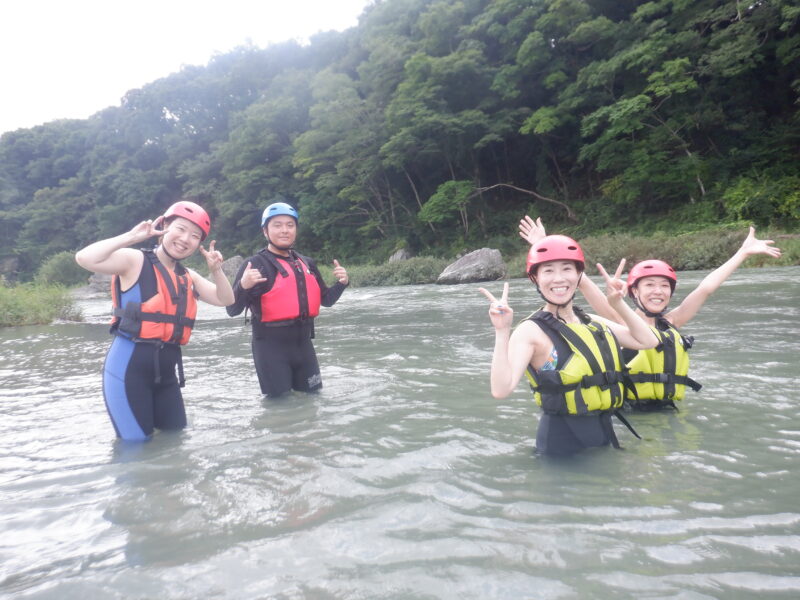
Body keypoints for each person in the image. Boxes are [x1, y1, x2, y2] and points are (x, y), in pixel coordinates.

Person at [519, 216, 781, 410]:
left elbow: (706, 288)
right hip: (633, 413)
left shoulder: (672, 321)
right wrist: (545, 246)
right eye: (650, 285)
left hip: (669, 412)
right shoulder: (618, 321)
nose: (658, 292)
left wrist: (742, 253)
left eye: (664, 286)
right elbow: (579, 282)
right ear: (634, 292)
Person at [479, 235, 658, 455]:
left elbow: (648, 341)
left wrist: (618, 304)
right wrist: (502, 330)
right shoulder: (530, 331)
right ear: (535, 278)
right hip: (560, 447)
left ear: (578, 275)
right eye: (548, 271)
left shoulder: (591, 321)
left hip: (603, 435)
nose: (558, 279)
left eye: (566, 269)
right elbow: (501, 389)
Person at [75, 200, 235, 441]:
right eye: (180, 229)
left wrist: (216, 270)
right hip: (127, 371)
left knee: (176, 440)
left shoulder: (188, 276)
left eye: (194, 236)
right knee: (137, 448)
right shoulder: (134, 260)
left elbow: (226, 299)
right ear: (164, 226)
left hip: (166, 375)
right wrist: (130, 237)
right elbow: (85, 258)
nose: (185, 239)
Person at [226, 200, 349, 397]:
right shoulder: (254, 264)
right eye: (277, 225)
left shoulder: (306, 263)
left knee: (314, 400)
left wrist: (342, 283)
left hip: (304, 346)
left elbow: (326, 300)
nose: (284, 230)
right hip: (270, 349)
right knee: (280, 407)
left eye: (290, 225)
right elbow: (232, 310)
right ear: (265, 231)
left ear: (296, 230)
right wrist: (243, 286)